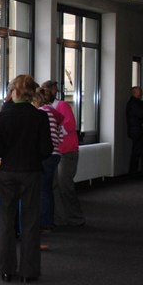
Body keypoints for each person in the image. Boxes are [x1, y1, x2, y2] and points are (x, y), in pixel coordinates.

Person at [0, 75, 52, 283]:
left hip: (7, 172)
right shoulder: (40, 117)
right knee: (30, 220)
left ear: (14, 93)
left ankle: (6, 269)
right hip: (31, 172)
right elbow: (47, 149)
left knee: (6, 220)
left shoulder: (2, 117)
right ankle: (29, 271)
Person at [41, 80, 84, 227]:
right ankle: (60, 218)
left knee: (65, 185)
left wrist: (54, 131)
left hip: (67, 151)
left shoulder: (62, 106)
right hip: (56, 152)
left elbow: (70, 125)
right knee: (54, 186)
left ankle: (76, 217)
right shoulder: (45, 109)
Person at [34, 87, 64, 231]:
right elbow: (61, 134)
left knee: (43, 189)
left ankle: (45, 222)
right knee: (48, 188)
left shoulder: (41, 113)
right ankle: (48, 220)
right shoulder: (54, 112)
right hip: (56, 153)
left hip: (47, 154)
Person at [126, 86, 143, 175]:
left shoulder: (133, 103)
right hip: (137, 129)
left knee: (137, 150)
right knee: (137, 151)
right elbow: (142, 114)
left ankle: (134, 171)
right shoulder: (134, 104)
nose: (141, 93)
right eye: (140, 92)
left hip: (136, 129)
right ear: (135, 93)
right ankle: (133, 172)